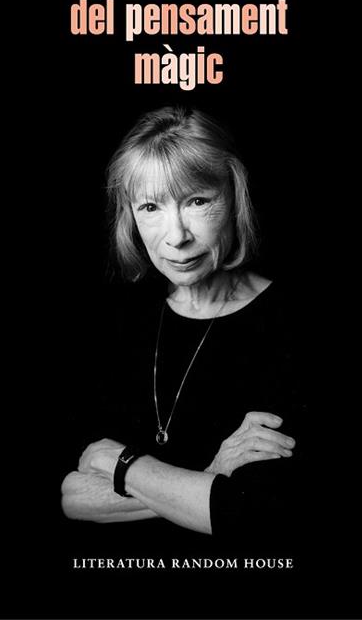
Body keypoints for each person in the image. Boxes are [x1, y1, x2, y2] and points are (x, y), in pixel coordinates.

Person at [61, 105, 307, 548]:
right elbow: (73, 497)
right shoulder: (115, 321)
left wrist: (121, 465)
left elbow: (254, 511)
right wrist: (211, 474)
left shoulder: (292, 324)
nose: (176, 236)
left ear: (234, 197)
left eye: (197, 201)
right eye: (150, 206)